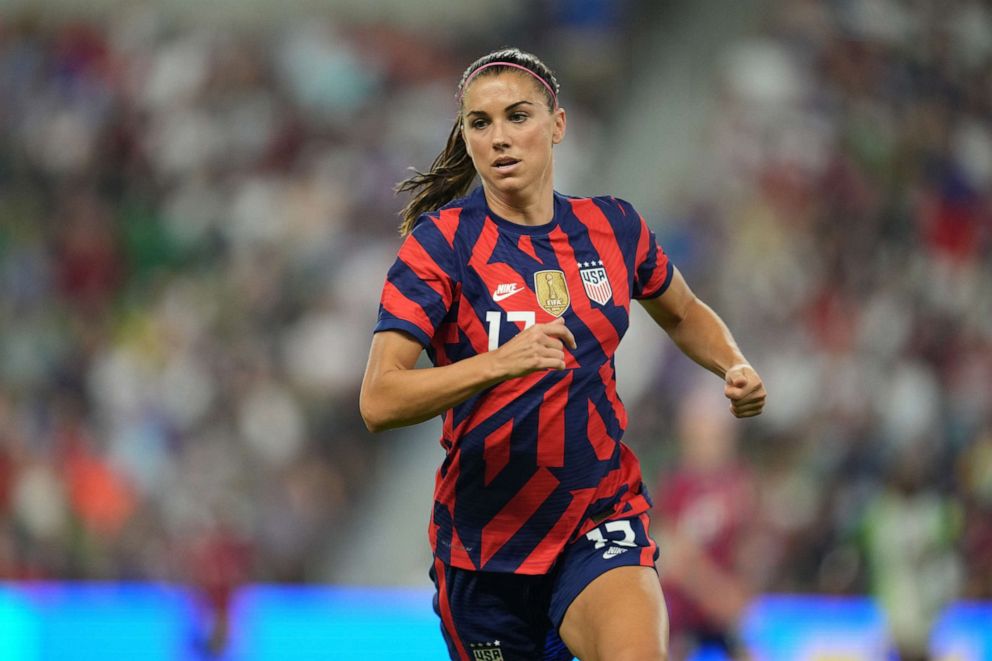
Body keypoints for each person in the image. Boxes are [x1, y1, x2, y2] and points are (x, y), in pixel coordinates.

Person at [360, 47, 766, 661]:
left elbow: (683, 312)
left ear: (558, 125)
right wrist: (500, 362)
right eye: (480, 123)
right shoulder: (440, 246)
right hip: (484, 551)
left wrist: (732, 363)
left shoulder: (613, 228)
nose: (499, 138)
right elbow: (379, 399)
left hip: (598, 518)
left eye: (517, 116)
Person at [653, 380, 759, 661]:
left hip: (723, 612)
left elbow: (750, 550)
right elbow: (671, 554)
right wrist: (718, 594)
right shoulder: (676, 487)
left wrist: (738, 595)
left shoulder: (740, 485)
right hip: (683, 611)